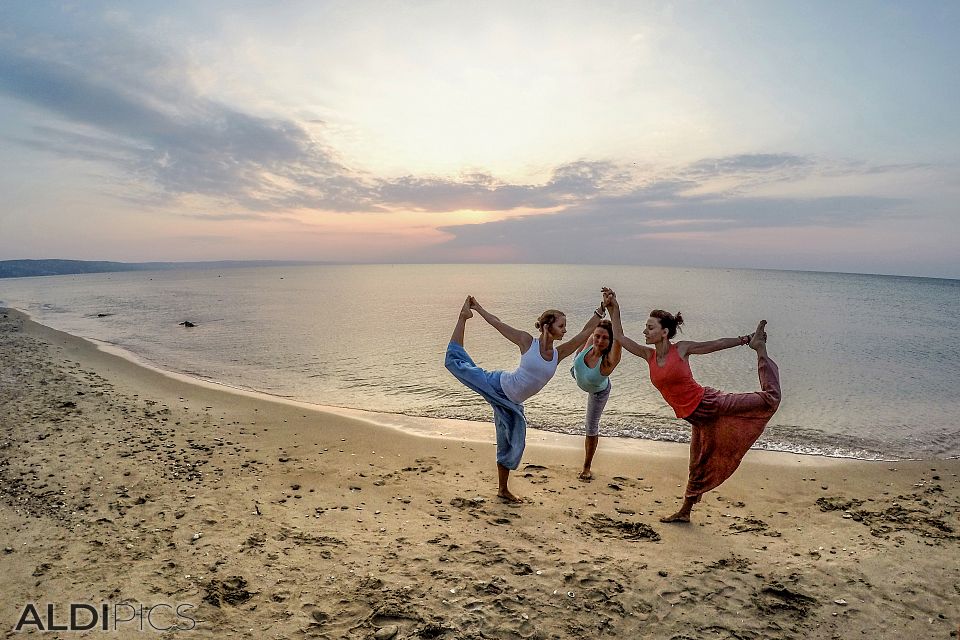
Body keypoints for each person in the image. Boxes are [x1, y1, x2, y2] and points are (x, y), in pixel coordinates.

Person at [603, 288, 781, 523]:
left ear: (664, 332)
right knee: (696, 465)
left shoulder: (682, 349)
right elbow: (620, 337)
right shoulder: (649, 356)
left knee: (770, 398)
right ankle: (685, 513)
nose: (645, 331)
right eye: (646, 327)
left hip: (711, 404)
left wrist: (745, 340)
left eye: (650, 327)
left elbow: (714, 344)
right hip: (697, 419)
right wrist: (614, 308)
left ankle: (760, 348)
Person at [445, 295, 606, 502]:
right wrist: (477, 308)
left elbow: (585, 333)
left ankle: (502, 489)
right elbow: (497, 324)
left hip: (511, 404)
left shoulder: (558, 354)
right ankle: (462, 318)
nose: (565, 330)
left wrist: (601, 308)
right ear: (548, 326)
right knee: (456, 364)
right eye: (561, 325)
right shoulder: (527, 342)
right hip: (497, 385)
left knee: (512, 444)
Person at [570, 319, 622, 480]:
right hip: (579, 374)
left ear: (611, 341)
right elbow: (585, 333)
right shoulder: (591, 340)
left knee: (591, 426)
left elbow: (619, 338)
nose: (599, 341)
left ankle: (586, 467)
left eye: (605, 338)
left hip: (598, 391)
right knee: (577, 360)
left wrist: (614, 310)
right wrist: (600, 310)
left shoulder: (608, 362)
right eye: (597, 336)